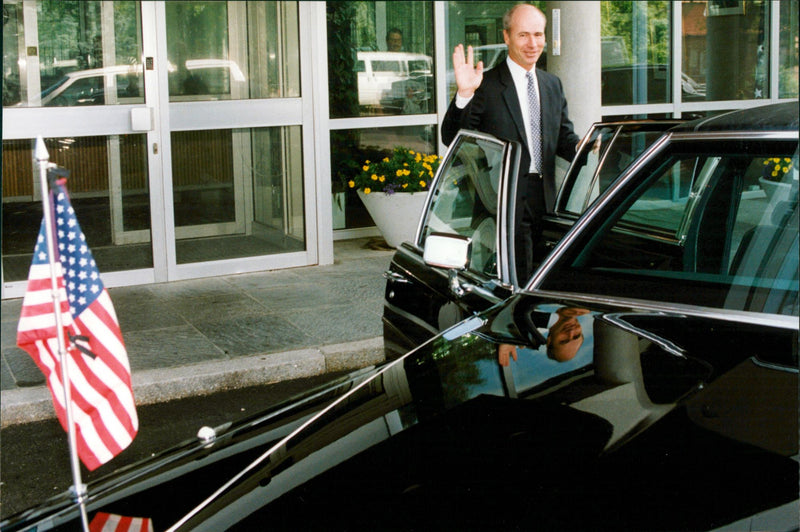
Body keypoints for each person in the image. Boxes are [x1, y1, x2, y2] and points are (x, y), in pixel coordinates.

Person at [442, 4, 580, 281]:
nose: (533, 44)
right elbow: (452, 138)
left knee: (545, 278)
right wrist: (464, 94)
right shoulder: (486, 84)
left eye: (539, 35)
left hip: (546, 200)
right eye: (523, 35)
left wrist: (586, 146)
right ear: (506, 37)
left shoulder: (552, 84)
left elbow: (565, 138)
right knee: (515, 282)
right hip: (502, 202)